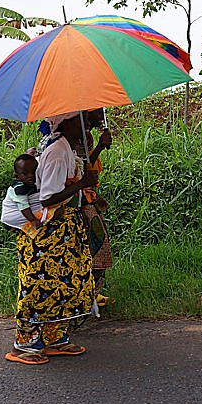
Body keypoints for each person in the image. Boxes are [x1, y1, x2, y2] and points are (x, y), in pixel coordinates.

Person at [4, 113, 99, 365]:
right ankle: (24, 345)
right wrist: (81, 185)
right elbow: (47, 198)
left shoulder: (65, 147)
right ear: (66, 122)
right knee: (38, 287)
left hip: (63, 231)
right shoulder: (57, 152)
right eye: (83, 119)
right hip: (47, 234)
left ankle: (55, 338)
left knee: (64, 284)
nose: (88, 124)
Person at [76, 109, 114, 307]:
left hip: (87, 198)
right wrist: (99, 146)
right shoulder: (78, 137)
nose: (101, 117)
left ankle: (91, 293)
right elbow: (82, 170)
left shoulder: (86, 136)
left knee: (96, 246)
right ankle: (87, 295)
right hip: (79, 201)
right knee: (97, 245)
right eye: (97, 113)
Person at [0, 154, 42, 237]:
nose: (30, 175)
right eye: (25, 174)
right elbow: (23, 206)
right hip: (11, 220)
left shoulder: (33, 181)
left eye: (34, 171)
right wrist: (33, 220)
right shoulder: (19, 188)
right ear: (17, 176)